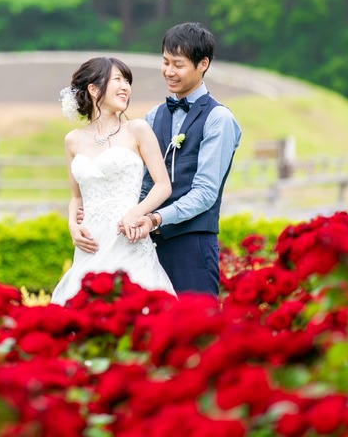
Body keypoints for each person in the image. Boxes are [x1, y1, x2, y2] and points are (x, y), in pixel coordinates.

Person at [71, 23, 242, 296]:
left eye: (178, 64)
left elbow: (205, 192)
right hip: (141, 246)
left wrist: (155, 218)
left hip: (191, 246)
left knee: (194, 331)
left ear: (203, 64)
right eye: (165, 62)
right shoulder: (152, 117)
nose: (169, 72)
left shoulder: (218, 119)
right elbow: (142, 181)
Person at [50, 56, 176, 304]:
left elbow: (163, 185)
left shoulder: (137, 130)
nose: (125, 87)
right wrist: (73, 226)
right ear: (94, 89)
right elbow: (76, 197)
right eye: (118, 79)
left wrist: (136, 213)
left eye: (127, 81)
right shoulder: (72, 140)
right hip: (90, 243)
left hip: (127, 236)